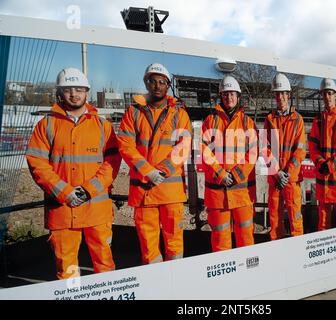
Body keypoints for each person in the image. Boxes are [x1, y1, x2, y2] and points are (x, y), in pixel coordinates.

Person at [26, 67, 121, 279]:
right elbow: (37, 163)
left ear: (87, 92)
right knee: (66, 270)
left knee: (105, 265)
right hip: (62, 211)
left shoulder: (102, 126)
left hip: (96, 210)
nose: (74, 94)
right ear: (60, 92)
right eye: (68, 89)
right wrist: (64, 192)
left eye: (79, 89)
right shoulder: (47, 125)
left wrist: (88, 190)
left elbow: (112, 162)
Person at [117, 63, 192, 264]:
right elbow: (125, 145)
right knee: (149, 247)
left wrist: (163, 170)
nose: (157, 86)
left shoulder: (179, 114)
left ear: (168, 86)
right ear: (146, 83)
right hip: (144, 191)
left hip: (170, 192)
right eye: (153, 81)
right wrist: (148, 171)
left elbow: (183, 146)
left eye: (162, 82)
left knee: (174, 242)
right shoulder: (133, 113)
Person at [201, 75, 258, 252]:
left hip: (242, 194)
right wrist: (220, 174)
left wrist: (236, 175)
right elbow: (204, 150)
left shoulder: (247, 123)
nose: (229, 97)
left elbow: (253, 152)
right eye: (225, 94)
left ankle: (248, 276)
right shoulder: (210, 121)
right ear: (221, 96)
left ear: (238, 96)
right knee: (220, 241)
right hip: (218, 195)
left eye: (232, 93)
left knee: (246, 238)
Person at [262, 73, 306, 240]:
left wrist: (286, 173)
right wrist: (277, 172)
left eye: (283, 93)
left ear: (289, 95)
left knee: (295, 218)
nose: (280, 97)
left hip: (291, 179)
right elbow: (264, 148)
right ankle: (276, 252)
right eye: (277, 93)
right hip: (275, 179)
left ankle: (298, 252)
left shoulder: (298, 120)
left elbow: (300, 150)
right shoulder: (269, 120)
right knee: (274, 219)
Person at [308, 78, 336, 231]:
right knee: (323, 224)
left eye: (329, 93)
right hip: (323, 182)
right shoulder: (317, 121)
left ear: (335, 95)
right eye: (324, 94)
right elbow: (312, 147)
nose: (327, 97)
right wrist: (321, 163)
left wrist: (331, 165)